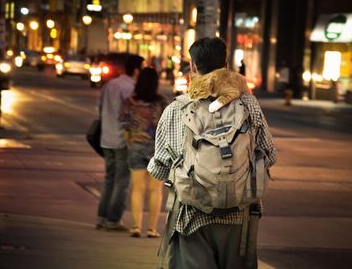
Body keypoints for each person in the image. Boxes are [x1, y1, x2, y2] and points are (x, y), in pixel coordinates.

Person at [147, 37, 277, 268]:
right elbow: (269, 155)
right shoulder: (248, 104)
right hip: (239, 219)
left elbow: (158, 167)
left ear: (193, 67)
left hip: (190, 216)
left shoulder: (177, 108)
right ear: (226, 67)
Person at [96, 54, 145, 231]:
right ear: (137, 70)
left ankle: (101, 217)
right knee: (122, 181)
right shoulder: (129, 88)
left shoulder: (110, 84)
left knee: (109, 178)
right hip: (121, 140)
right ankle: (113, 219)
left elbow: (99, 108)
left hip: (105, 138)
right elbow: (130, 116)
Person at [119, 67, 167, 238]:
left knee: (137, 188)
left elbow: (124, 126)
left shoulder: (130, 101)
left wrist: (131, 142)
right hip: (157, 149)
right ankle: (152, 229)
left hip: (136, 146)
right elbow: (167, 127)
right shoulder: (161, 102)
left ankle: (136, 227)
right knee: (155, 189)